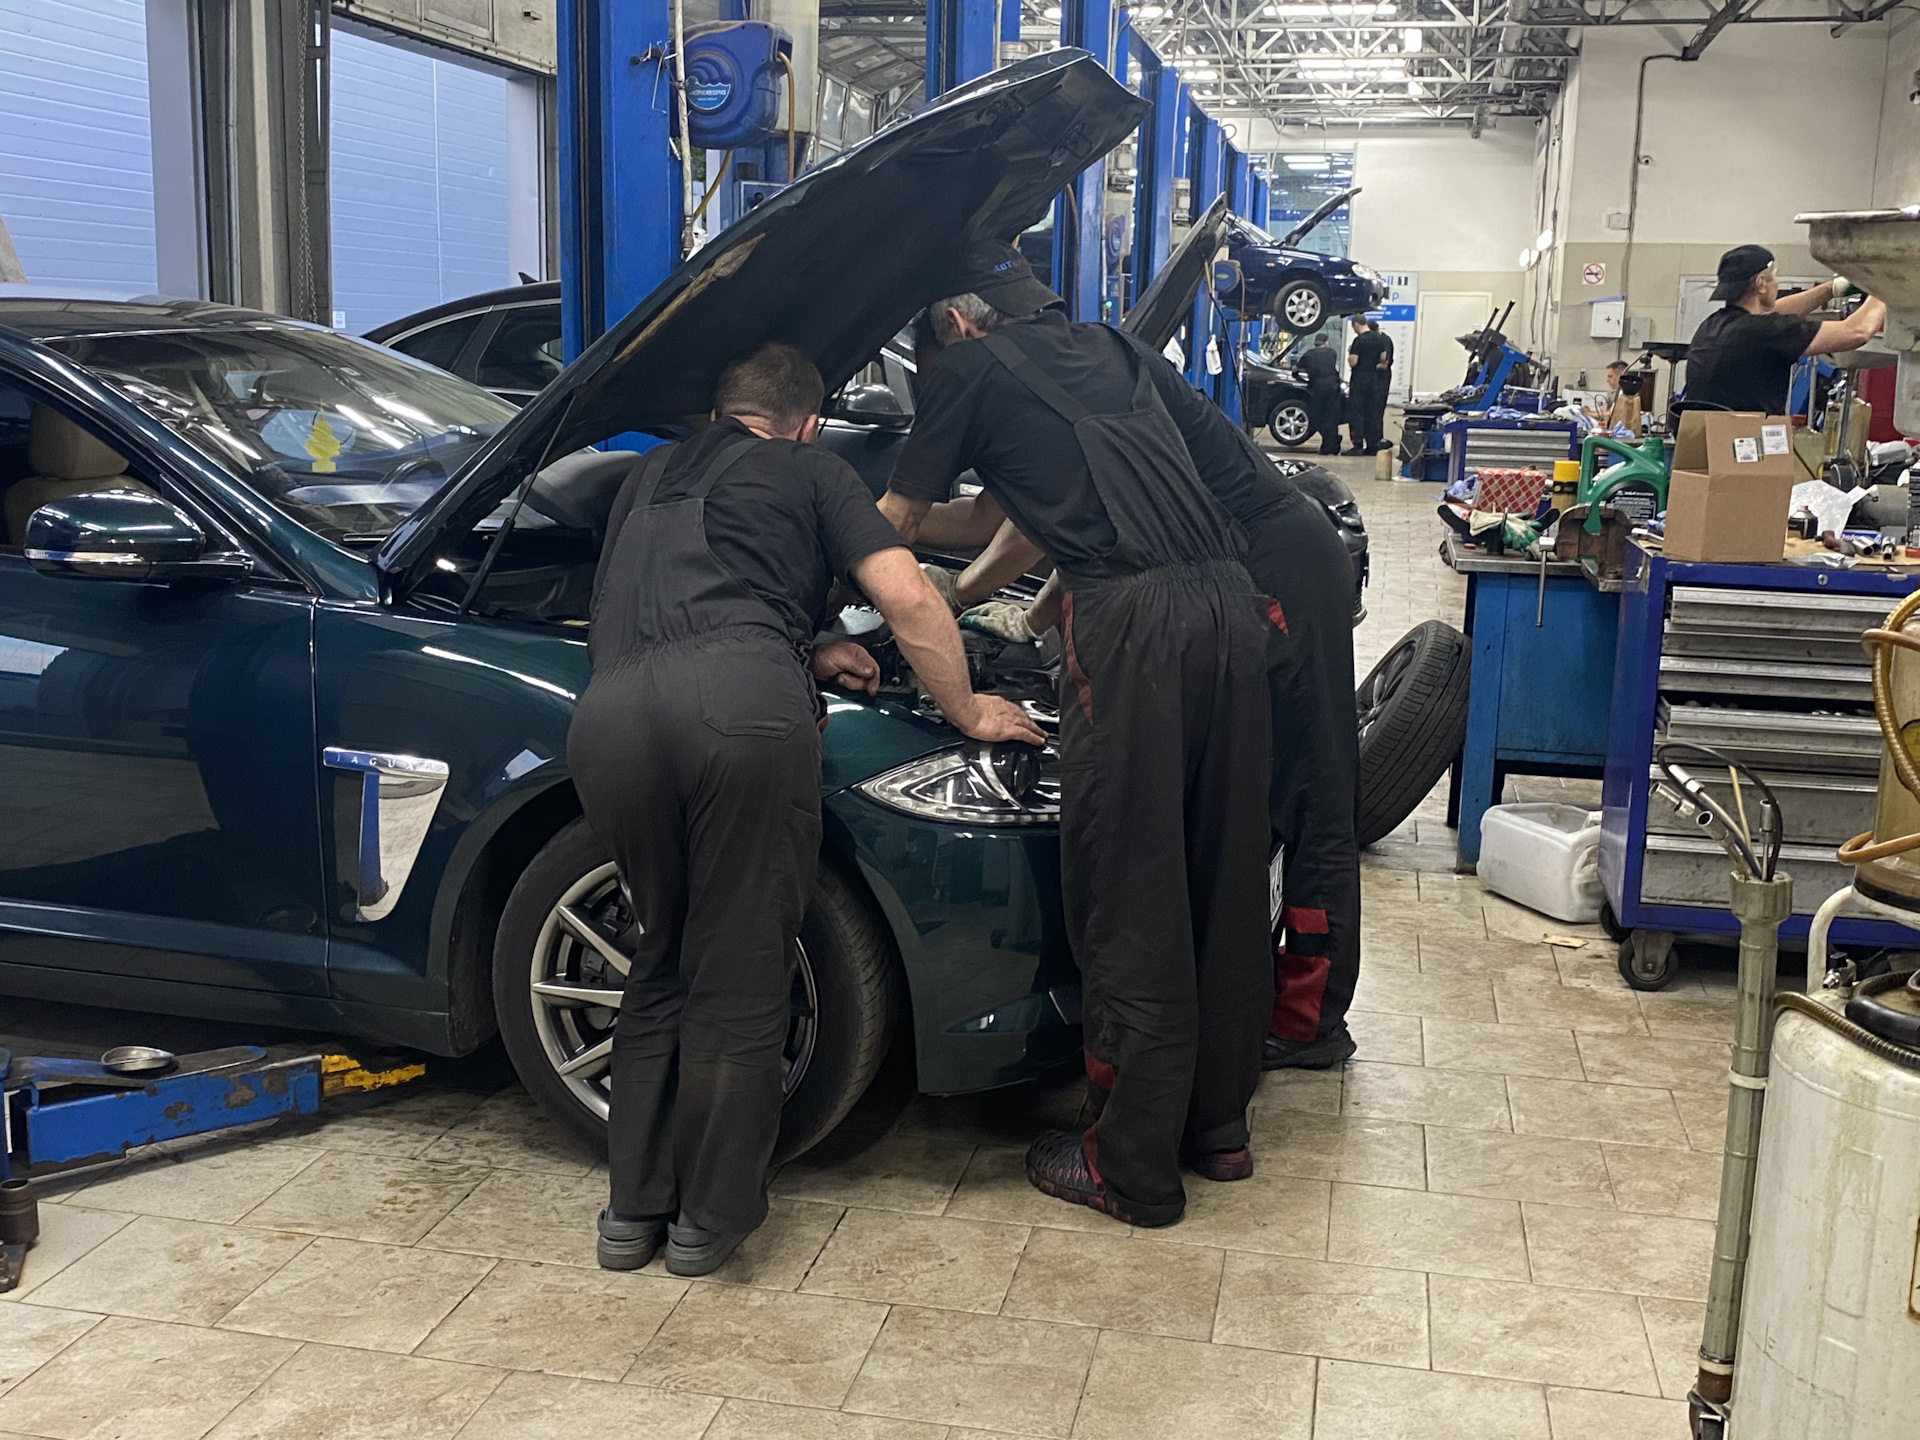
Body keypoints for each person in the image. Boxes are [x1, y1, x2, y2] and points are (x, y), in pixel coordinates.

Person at [572, 342, 1042, 1278]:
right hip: (742, 715)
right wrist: (967, 708)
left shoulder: (646, 476)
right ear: (809, 424)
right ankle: (707, 1222)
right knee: (740, 968)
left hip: (609, 718)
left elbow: (684, 592)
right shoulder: (812, 470)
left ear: (720, 412)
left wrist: (809, 638)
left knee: (660, 955)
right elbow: (909, 598)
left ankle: (632, 1214)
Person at [876, 242, 1276, 1229]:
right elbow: (1006, 511)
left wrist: (835, 579)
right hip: (1232, 608)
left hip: (1132, 625)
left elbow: (899, 518)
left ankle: (1128, 1165)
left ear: (955, 325)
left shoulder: (966, 368)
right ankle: (1216, 1127)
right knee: (1220, 867)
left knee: (1131, 878)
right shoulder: (1114, 348)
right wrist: (958, 567)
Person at [1683, 245, 1885, 415]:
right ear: (1761, 283)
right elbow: (1857, 331)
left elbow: (1772, 312)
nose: (1777, 283)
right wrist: (1886, 287)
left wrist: (1832, 289)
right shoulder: (1765, 332)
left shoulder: (1711, 326)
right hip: (1747, 443)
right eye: (1775, 276)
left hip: (1705, 439)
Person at [1345, 316, 1393, 455]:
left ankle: (1358, 445)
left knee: (1357, 411)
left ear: (1356, 325)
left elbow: (1353, 361)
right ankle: (1373, 446)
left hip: (1360, 378)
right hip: (1375, 379)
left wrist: (1350, 357)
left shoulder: (1359, 340)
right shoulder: (1380, 339)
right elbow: (1384, 359)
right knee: (1373, 412)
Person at [1294, 333, 1344, 455]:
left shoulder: (1309, 354)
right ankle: (1332, 444)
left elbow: (1295, 369)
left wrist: (1303, 371)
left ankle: (1330, 444)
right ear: (1326, 342)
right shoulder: (1332, 352)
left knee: (1316, 416)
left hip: (1318, 387)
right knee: (1331, 416)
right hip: (1333, 385)